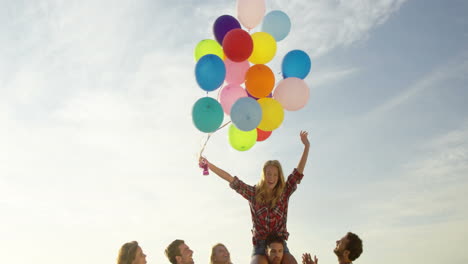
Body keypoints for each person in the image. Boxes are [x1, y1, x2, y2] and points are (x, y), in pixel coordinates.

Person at [199, 131, 310, 264]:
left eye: (275, 175)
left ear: (279, 176)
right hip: (261, 244)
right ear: (264, 175)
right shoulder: (253, 193)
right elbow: (230, 179)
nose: (272, 178)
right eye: (269, 174)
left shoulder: (284, 191)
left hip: (279, 245)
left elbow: (298, 173)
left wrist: (306, 146)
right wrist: (208, 165)